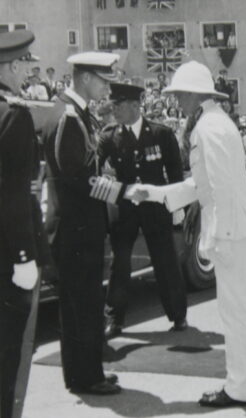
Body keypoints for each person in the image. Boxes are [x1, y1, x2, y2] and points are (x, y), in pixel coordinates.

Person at [142, 61, 246, 408]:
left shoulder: (209, 127)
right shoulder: (213, 122)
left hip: (233, 230)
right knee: (238, 312)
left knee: (237, 313)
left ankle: (240, 388)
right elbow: (203, 184)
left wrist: (218, 236)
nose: (177, 100)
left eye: (181, 94)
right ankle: (241, 384)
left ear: (195, 94)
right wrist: (156, 193)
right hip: (238, 227)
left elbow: (220, 184)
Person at [42, 52, 135, 395]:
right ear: (84, 78)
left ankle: (83, 373)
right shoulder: (69, 117)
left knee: (81, 305)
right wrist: (122, 192)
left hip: (78, 226)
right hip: (77, 228)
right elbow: (77, 180)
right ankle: (87, 377)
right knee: (82, 305)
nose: (106, 89)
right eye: (102, 81)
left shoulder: (74, 113)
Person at [99, 83, 188, 338]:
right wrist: (120, 192)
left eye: (118, 106)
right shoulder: (109, 136)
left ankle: (178, 315)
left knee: (165, 262)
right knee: (120, 264)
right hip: (125, 210)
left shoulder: (161, 133)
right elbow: (94, 171)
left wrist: (176, 206)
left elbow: (175, 173)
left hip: (155, 208)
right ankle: (114, 319)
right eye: (113, 106)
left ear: (135, 106)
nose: (114, 111)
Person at [0, 29, 42, 418]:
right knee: (7, 356)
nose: (27, 74)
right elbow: (14, 195)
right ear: (11, 67)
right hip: (6, 256)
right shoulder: (14, 115)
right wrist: (25, 258)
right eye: (24, 66)